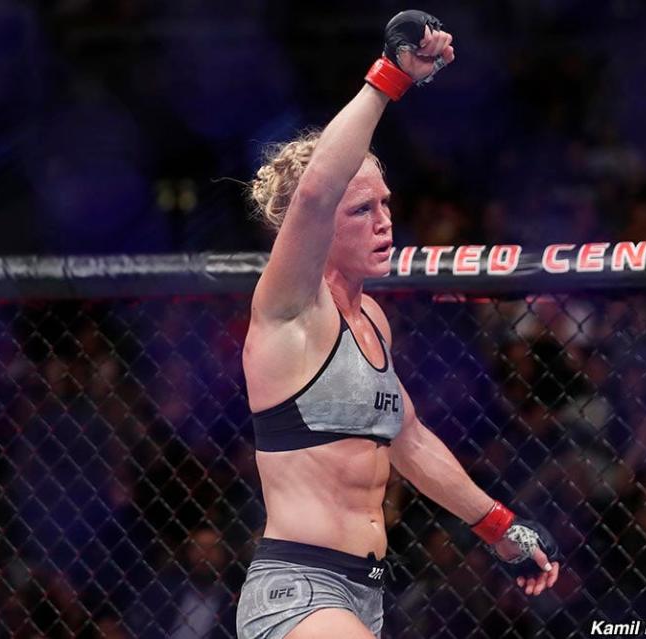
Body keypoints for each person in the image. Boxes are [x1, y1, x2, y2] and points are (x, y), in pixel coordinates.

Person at [236, 11, 560, 639]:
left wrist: (499, 527)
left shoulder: (373, 320)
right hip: (299, 593)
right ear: (321, 226)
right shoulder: (291, 309)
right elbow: (313, 194)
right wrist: (390, 78)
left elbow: (408, 440)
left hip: (366, 594)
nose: (384, 220)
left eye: (385, 202)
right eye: (361, 208)